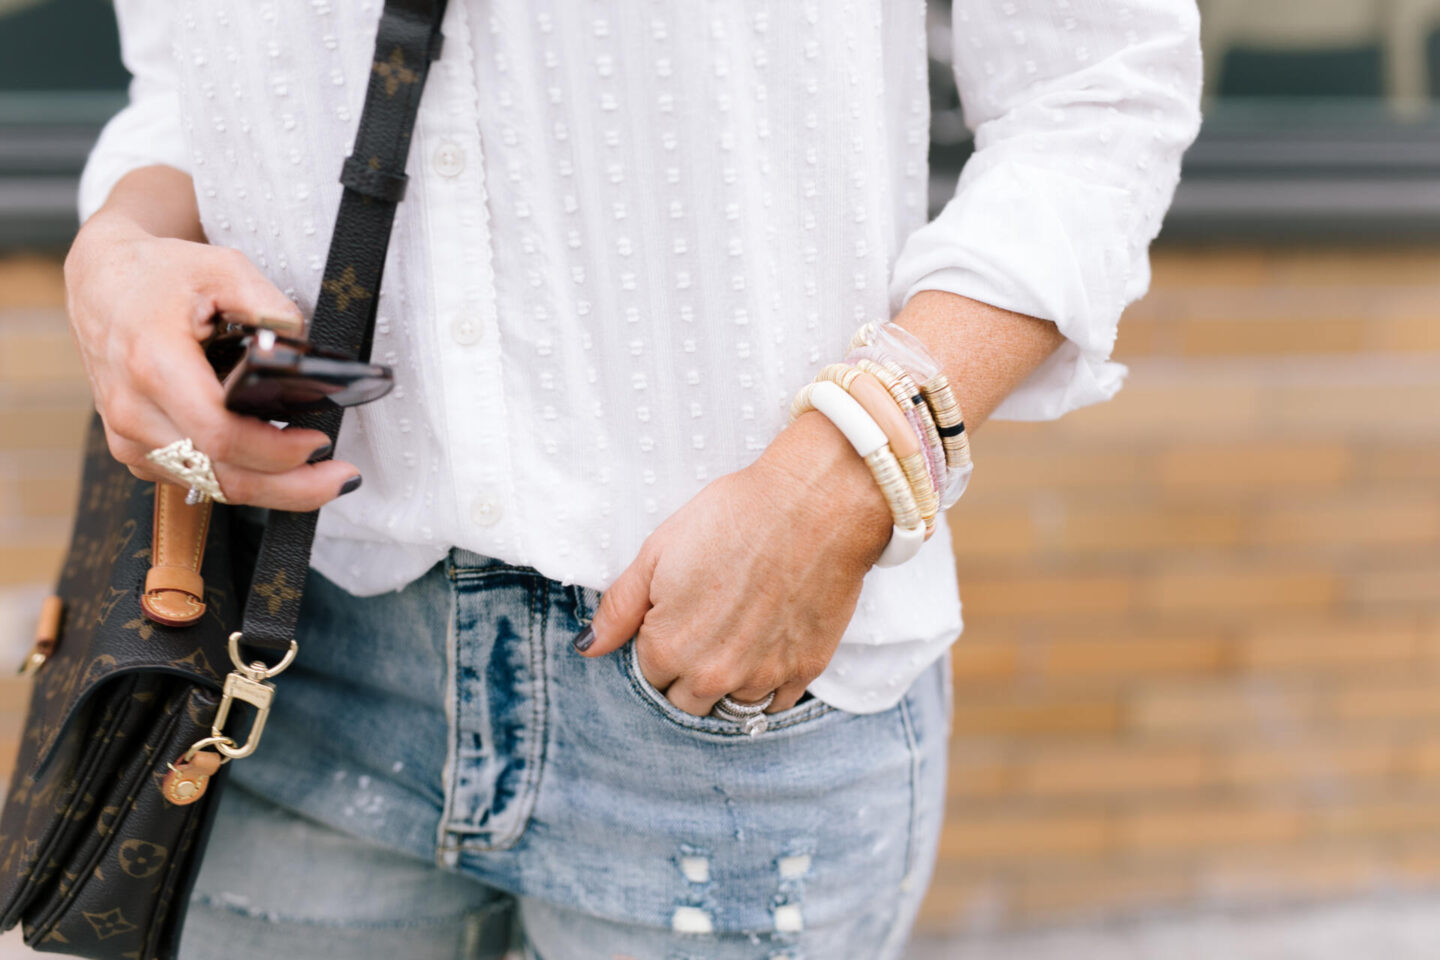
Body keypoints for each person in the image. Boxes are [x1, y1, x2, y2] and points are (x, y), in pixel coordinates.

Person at [61, 1, 1202, 957]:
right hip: (290, 662)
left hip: (729, 686)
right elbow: (182, 86)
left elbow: (1098, 90)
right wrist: (118, 254)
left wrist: (840, 484)